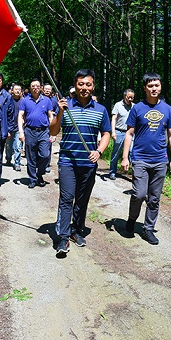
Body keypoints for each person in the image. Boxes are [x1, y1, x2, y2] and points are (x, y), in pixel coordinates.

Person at [49, 69, 111, 255]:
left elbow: (106, 133)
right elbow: (53, 131)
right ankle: (63, 238)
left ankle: (76, 230)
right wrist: (59, 112)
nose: (84, 88)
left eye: (88, 84)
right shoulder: (65, 106)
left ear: (93, 86)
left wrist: (99, 151)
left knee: (82, 200)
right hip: (67, 161)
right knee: (67, 199)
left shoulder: (100, 110)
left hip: (88, 163)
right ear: (75, 85)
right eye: (81, 84)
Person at [121, 73, 171, 245]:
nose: (154, 89)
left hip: (160, 159)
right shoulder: (137, 108)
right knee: (138, 194)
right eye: (150, 86)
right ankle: (132, 219)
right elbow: (129, 133)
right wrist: (125, 157)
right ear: (145, 88)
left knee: (154, 198)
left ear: (160, 87)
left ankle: (148, 229)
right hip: (140, 158)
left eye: (157, 86)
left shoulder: (167, 109)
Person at [18, 79, 54, 188]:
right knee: (31, 156)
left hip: (44, 131)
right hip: (30, 131)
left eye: (37, 86)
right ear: (30, 87)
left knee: (45, 154)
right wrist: (21, 132)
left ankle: (39, 174)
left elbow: (50, 116)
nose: (35, 88)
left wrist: (53, 132)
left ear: (41, 88)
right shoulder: (25, 100)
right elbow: (20, 116)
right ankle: (33, 179)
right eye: (33, 86)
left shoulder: (46, 100)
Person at [109, 89, 135, 180]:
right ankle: (112, 171)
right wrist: (113, 132)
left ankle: (135, 174)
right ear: (124, 96)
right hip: (119, 132)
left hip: (131, 133)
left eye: (132, 97)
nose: (130, 99)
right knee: (116, 152)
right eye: (129, 97)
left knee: (132, 152)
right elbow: (114, 119)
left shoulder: (134, 107)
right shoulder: (118, 105)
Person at [5, 83, 24, 171]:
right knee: (8, 145)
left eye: (19, 90)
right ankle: (8, 159)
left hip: (19, 127)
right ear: (12, 90)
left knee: (18, 146)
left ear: (21, 91)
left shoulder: (23, 101)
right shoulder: (8, 100)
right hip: (9, 126)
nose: (17, 91)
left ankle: (17, 163)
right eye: (15, 89)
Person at [42, 83, 59, 173]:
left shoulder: (54, 100)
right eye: (46, 89)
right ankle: (39, 164)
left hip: (50, 126)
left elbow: (58, 110)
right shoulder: (39, 98)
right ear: (43, 89)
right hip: (40, 126)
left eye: (49, 89)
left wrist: (53, 113)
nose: (47, 90)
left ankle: (47, 164)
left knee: (48, 146)